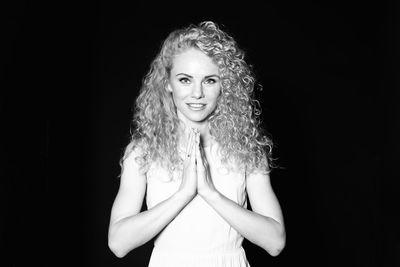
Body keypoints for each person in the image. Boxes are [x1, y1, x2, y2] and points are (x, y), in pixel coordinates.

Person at [108, 21, 285, 267]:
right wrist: (183, 194)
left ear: (225, 86)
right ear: (167, 83)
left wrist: (210, 193)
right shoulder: (142, 152)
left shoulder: (247, 149)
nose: (197, 93)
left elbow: (275, 242)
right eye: (185, 80)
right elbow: (118, 243)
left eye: (210, 80)